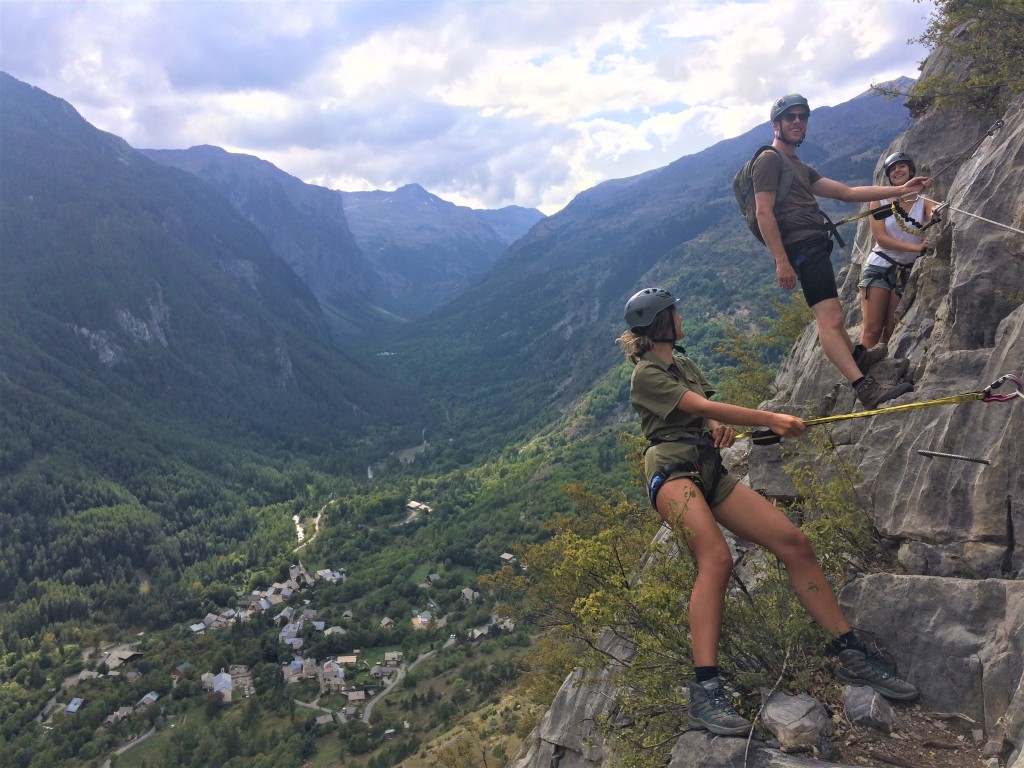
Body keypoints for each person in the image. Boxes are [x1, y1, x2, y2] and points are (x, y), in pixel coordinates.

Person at [618, 287, 919, 737]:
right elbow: (698, 405)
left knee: (794, 544)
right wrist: (769, 418)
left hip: (708, 469)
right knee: (716, 559)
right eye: (674, 312)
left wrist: (718, 426)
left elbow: (706, 413)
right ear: (660, 323)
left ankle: (849, 652)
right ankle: (705, 690)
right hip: (672, 471)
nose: (681, 316)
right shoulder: (646, 373)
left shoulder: (681, 364)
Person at [753, 94, 932, 409]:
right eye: (790, 117)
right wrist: (781, 260)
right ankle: (864, 388)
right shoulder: (769, 160)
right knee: (831, 320)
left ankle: (857, 356)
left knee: (832, 318)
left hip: (813, 245)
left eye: (802, 117)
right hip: (800, 248)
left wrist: (901, 190)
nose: (798, 122)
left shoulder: (797, 165)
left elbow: (847, 193)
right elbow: (763, 212)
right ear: (776, 124)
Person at [859, 151, 939, 347]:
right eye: (893, 168)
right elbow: (882, 239)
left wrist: (937, 211)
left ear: (910, 170)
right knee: (872, 330)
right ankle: (858, 375)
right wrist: (917, 247)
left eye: (901, 166)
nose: (897, 170)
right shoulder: (880, 200)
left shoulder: (923, 201)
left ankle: (878, 373)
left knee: (890, 329)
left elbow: (934, 210)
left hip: (905, 271)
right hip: (880, 267)